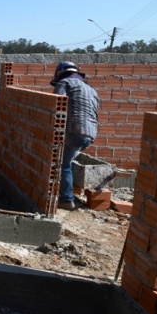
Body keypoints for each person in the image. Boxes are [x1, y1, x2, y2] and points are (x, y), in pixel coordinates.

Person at [50, 61, 100, 210]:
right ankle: (66, 192)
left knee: (63, 164)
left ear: (60, 74)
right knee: (68, 160)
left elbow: (58, 104)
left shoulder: (65, 83)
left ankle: (66, 199)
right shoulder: (91, 89)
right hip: (90, 134)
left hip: (74, 131)